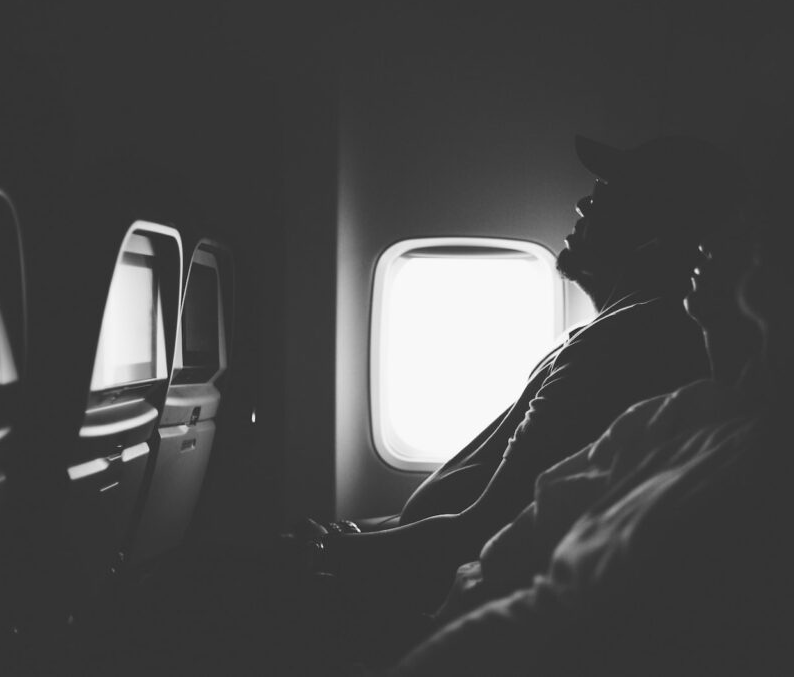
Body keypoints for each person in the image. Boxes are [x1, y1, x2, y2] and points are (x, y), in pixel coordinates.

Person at [309, 134, 744, 612]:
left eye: (610, 190)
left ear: (655, 233)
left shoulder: (620, 348)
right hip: (408, 569)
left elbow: (474, 534)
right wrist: (342, 533)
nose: (584, 202)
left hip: (420, 592)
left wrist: (323, 552)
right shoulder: (599, 337)